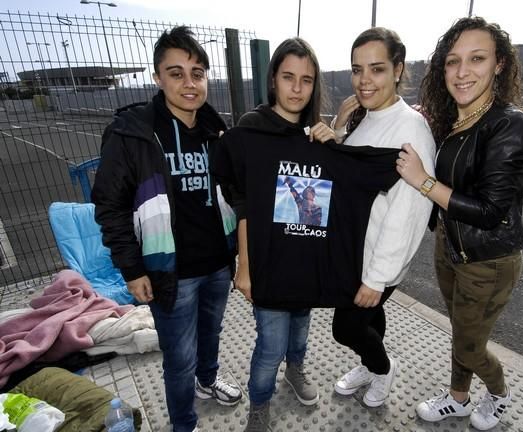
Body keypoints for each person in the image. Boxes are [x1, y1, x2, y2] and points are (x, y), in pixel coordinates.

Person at [91, 26, 242, 432]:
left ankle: (208, 382)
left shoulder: (217, 131)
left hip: (217, 264)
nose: (189, 84)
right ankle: (184, 424)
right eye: (176, 73)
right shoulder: (133, 133)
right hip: (168, 272)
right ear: (158, 77)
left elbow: (235, 192)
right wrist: (132, 269)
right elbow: (110, 206)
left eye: (197, 73)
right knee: (178, 359)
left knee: (211, 335)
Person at [395, 16, 523, 430]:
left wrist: (423, 180)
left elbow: (491, 211)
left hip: (487, 259)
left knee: (470, 346)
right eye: (452, 61)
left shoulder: (511, 126)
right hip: (450, 247)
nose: (462, 72)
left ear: (499, 65)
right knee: (462, 333)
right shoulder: (453, 121)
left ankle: (498, 396)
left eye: (476, 59)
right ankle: (459, 398)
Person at [214, 38, 335, 432]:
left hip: (305, 263)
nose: (297, 88)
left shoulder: (314, 135)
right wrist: (244, 267)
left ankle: (295, 371)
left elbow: (331, 201)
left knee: (300, 330)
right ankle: (259, 404)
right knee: (270, 345)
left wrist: (333, 147)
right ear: (273, 80)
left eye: (306, 80)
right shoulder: (253, 128)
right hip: (266, 263)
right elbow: (243, 203)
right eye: (288, 77)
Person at [330, 27, 435, 408]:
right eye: (357, 70)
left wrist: (376, 279)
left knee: (346, 327)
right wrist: (339, 126)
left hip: (377, 261)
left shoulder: (410, 128)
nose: (363, 80)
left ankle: (383, 367)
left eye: (376, 69)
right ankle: (371, 363)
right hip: (355, 252)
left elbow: (409, 213)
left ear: (397, 69)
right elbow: (350, 172)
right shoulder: (367, 117)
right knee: (368, 322)